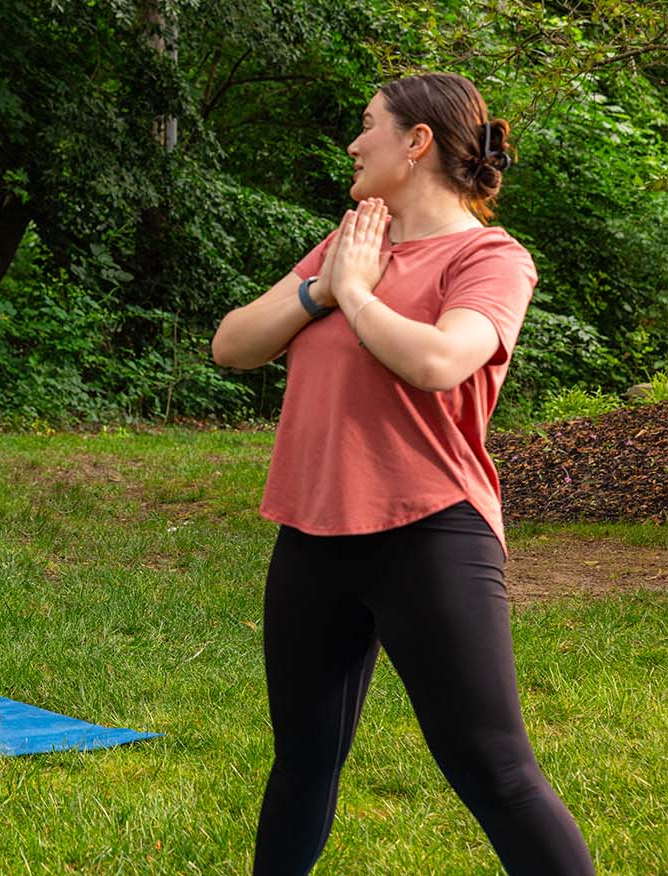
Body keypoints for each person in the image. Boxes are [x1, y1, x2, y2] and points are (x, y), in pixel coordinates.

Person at [211, 73, 594, 874]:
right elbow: (234, 344)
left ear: (417, 142)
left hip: (430, 533)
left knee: (493, 771)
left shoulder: (490, 257)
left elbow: (439, 360)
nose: (353, 144)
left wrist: (355, 295)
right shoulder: (346, 246)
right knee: (304, 762)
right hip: (313, 534)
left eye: (367, 124)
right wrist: (325, 287)